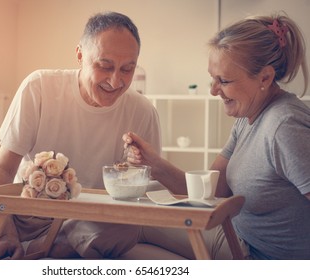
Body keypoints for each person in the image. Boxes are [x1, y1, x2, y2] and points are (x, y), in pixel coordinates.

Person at [0, 11, 161, 260]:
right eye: (105, 66)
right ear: (80, 55)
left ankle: (23, 247)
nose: (115, 80)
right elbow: (1, 170)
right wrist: (6, 232)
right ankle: (8, 244)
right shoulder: (40, 87)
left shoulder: (143, 112)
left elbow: (142, 196)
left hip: (77, 227)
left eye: (127, 69)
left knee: (127, 226)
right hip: (15, 211)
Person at [123, 13, 310, 260]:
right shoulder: (248, 117)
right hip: (237, 238)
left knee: (132, 230)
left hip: (258, 257)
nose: (213, 91)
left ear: (265, 77)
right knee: (129, 235)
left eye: (223, 80)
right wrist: (152, 163)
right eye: (212, 78)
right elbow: (211, 193)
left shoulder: (284, 126)